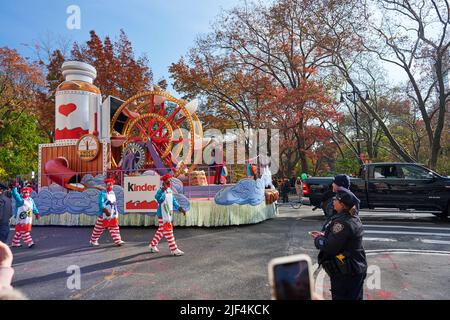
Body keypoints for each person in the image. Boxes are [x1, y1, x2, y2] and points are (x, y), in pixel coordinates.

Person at [310, 188, 367, 300]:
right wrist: (324, 234)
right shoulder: (351, 217)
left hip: (347, 272)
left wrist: (318, 240)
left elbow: (330, 247)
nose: (333, 202)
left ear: (342, 204)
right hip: (353, 269)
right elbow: (341, 239)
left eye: (336, 200)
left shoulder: (343, 223)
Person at [149, 174, 186, 256]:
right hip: (162, 214)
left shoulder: (170, 190)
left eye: (170, 181)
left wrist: (179, 208)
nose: (169, 182)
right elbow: (158, 199)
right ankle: (174, 249)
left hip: (168, 213)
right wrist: (163, 190)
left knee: (161, 230)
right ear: (164, 182)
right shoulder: (160, 191)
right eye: (168, 181)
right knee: (168, 231)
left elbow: (173, 200)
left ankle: (152, 245)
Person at [89, 178, 125, 247]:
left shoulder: (112, 193)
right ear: (106, 185)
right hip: (103, 214)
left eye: (111, 185)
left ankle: (117, 240)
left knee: (114, 227)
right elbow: (101, 203)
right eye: (108, 185)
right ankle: (93, 240)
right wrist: (105, 210)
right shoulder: (102, 193)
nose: (110, 186)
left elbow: (114, 203)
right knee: (99, 228)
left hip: (112, 214)